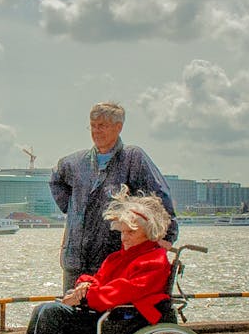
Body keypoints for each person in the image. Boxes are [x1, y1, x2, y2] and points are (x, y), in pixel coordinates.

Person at [0, 187, 174, 334]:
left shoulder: (153, 260)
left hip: (122, 323)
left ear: (148, 233)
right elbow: (100, 281)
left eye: (130, 233)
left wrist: (87, 294)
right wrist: (84, 286)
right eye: (122, 232)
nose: (124, 238)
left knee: (50, 314)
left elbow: (124, 291)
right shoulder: (121, 257)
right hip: (109, 317)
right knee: (43, 310)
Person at [50, 101, 177, 292]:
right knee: (73, 313)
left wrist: (167, 235)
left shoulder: (133, 158)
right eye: (93, 126)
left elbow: (159, 197)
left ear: (119, 127)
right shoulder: (73, 163)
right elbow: (55, 180)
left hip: (115, 258)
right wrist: (76, 208)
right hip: (75, 259)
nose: (96, 131)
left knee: (106, 312)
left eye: (103, 126)